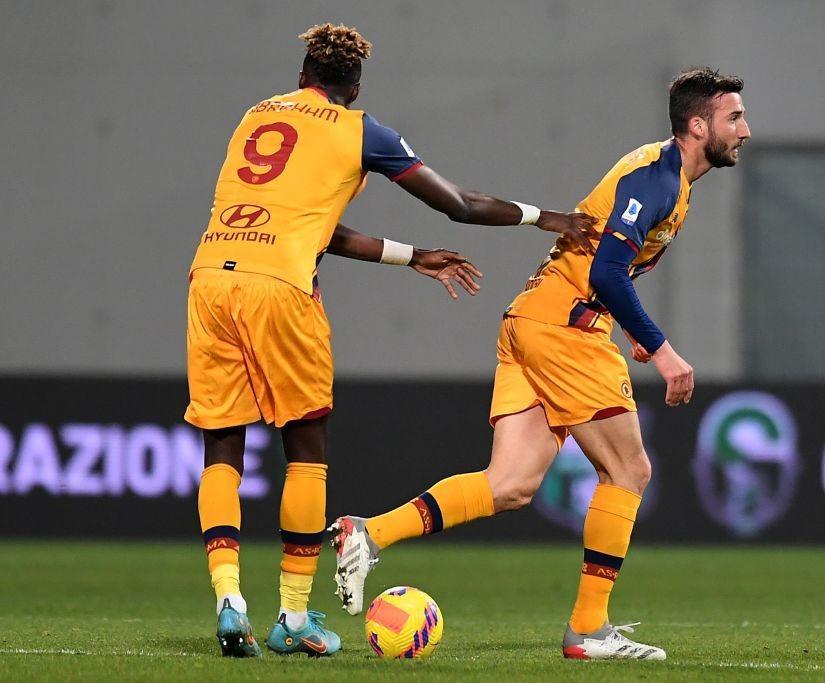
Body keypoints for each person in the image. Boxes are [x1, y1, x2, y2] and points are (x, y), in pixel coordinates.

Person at [185, 22, 596, 658]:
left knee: (222, 445)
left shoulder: (255, 116)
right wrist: (547, 218)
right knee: (305, 446)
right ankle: (293, 617)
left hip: (210, 278)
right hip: (281, 288)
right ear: (353, 89)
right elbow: (459, 203)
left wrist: (411, 257)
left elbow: (313, 225)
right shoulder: (361, 131)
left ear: (301, 80)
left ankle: (229, 599)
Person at [331, 66, 750, 661]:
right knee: (630, 472)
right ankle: (588, 629)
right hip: (564, 333)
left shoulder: (671, 181)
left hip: (534, 323)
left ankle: (367, 534)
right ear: (698, 124)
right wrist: (661, 349)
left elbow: (610, 270)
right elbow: (605, 271)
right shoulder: (656, 178)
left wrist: (625, 326)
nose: (746, 130)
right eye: (734, 117)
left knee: (509, 486)